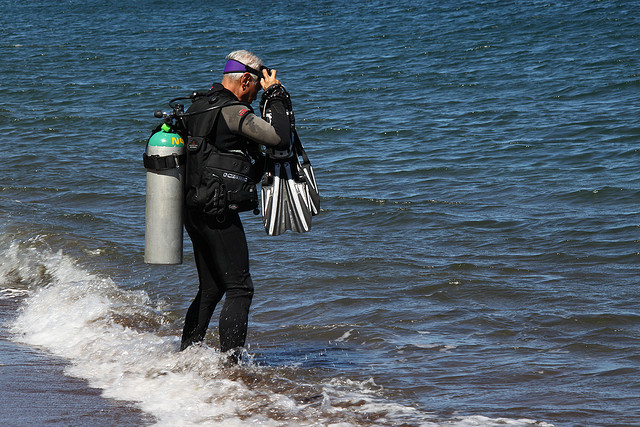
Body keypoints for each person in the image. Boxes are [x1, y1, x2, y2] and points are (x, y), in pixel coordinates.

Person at [179, 50, 292, 360]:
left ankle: (187, 356)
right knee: (241, 288)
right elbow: (279, 138)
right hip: (217, 210)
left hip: (191, 208)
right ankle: (232, 368)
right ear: (245, 80)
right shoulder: (232, 111)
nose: (256, 97)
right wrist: (277, 96)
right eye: (256, 89)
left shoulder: (199, 105)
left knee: (212, 288)